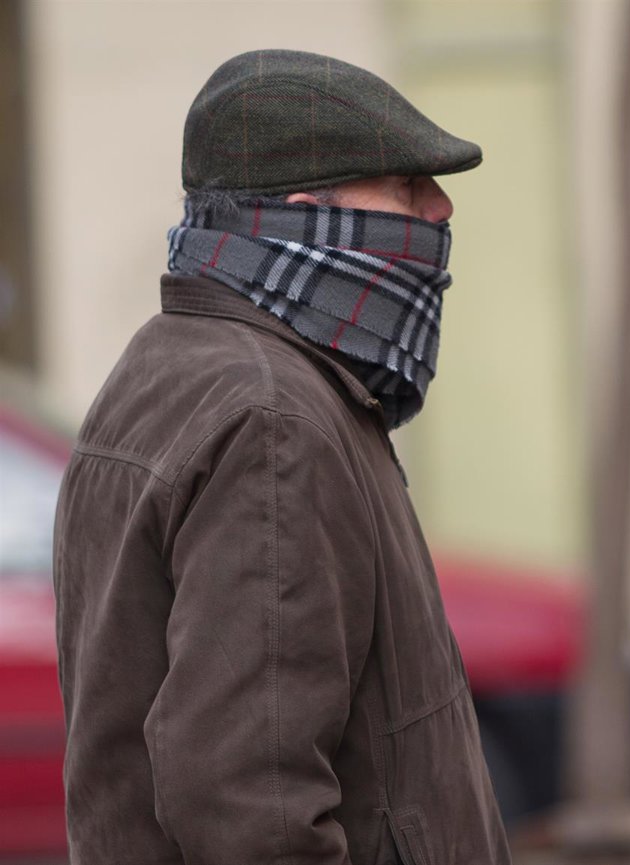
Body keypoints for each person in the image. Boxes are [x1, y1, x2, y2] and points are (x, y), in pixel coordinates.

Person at [53, 49, 510, 864]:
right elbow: (251, 807)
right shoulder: (273, 420)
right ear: (306, 216)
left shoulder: (170, 365)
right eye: (407, 185)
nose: (439, 210)